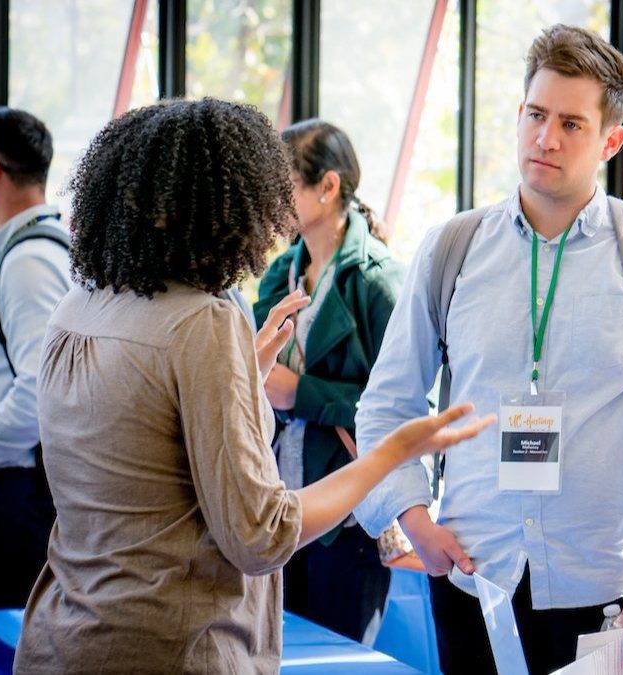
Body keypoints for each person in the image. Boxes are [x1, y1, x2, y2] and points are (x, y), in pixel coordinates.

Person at [13, 98, 493, 673]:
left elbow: (143, 454)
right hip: (169, 647)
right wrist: (392, 451)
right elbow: (261, 535)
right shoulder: (201, 322)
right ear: (229, 206)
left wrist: (246, 375)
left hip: (63, 636)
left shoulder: (77, 308)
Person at [353, 24, 623, 675]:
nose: (546, 138)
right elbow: (385, 406)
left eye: (572, 124)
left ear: (612, 140)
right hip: (473, 574)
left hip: (608, 587)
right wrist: (414, 520)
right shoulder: (451, 249)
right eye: (535, 114)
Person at [254, 119, 404, 642]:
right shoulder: (279, 275)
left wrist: (301, 394)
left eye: (284, 184)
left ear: (329, 186)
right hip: (280, 507)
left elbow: (406, 406)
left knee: (336, 655)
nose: (274, 200)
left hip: (348, 513)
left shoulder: (376, 280)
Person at [0, 107, 72, 609]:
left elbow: (40, 393)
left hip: (16, 492)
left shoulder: (29, 262)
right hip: (21, 488)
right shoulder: (44, 249)